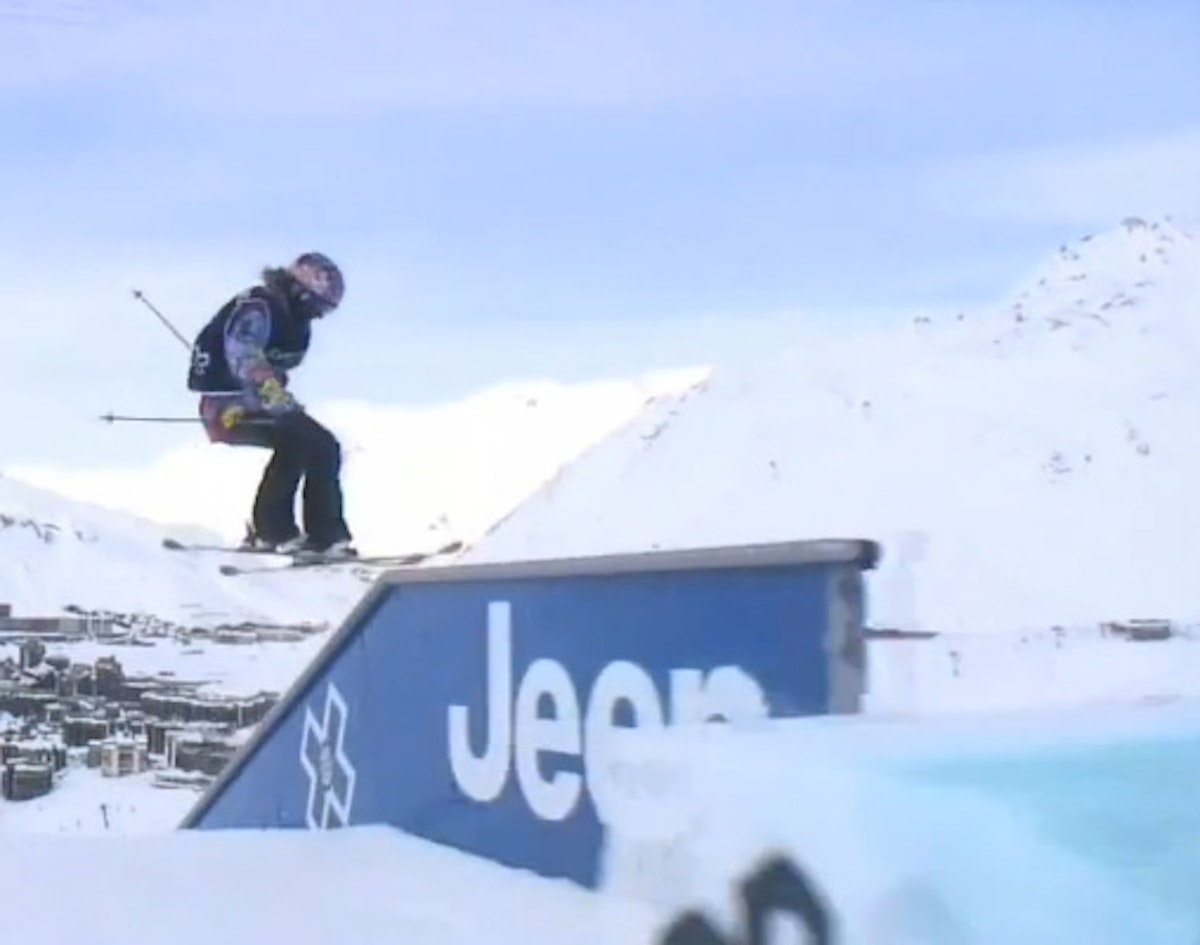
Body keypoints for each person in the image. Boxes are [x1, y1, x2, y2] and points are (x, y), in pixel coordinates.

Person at [186, 251, 356, 560]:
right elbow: (244, 355)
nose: (315, 315)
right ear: (299, 291)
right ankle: (280, 530)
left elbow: (277, 367)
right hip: (227, 407)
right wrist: (271, 395)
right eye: (314, 306)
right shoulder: (259, 308)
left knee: (318, 445)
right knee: (305, 440)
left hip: (259, 403)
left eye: (323, 311)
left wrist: (276, 395)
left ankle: (315, 534)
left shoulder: (292, 321)